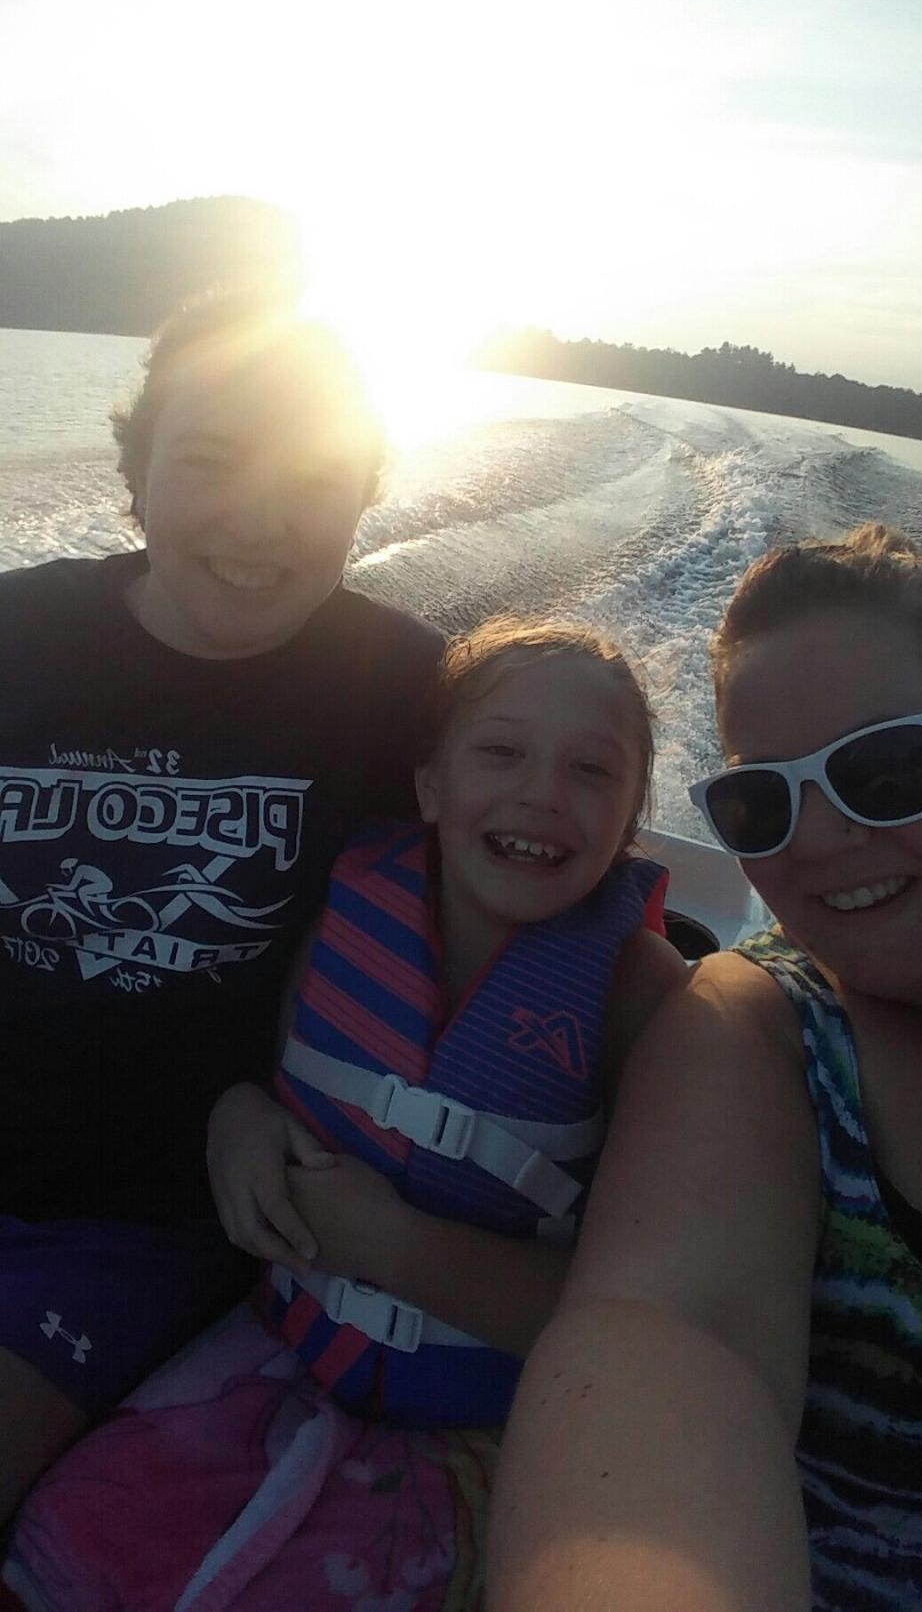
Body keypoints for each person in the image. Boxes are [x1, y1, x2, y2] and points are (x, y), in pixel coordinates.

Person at [3, 617, 686, 1611]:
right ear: (429, 787)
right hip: (278, 1357)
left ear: (629, 823)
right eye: (501, 752)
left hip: (485, 1429)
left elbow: (653, 1317)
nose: (543, 792)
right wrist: (235, 1115)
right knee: (70, 1540)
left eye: (593, 771)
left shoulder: (643, 998)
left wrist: (396, 1247)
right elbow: (274, 1080)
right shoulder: (344, 920)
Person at [0, 288, 443, 1525]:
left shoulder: (409, 693)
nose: (261, 516)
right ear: (134, 473)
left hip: (136, 1209)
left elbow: (526, 907)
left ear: (367, 494)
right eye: (207, 461)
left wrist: (260, 1094)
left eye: (316, 475)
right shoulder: (15, 635)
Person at [488, 523, 922, 1612]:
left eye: (887, 769)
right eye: (763, 801)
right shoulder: (757, 1035)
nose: (826, 835)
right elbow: (663, 1334)